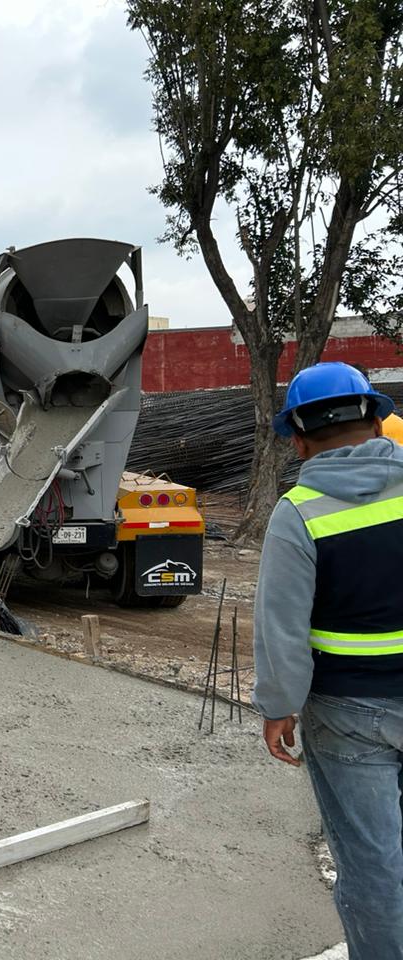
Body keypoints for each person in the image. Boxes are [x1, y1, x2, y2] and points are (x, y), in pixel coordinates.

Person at [254, 361, 403, 959]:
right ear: (375, 419)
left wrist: (279, 707)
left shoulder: (299, 513)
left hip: (348, 714)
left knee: (374, 866)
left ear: (298, 438)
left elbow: (281, 626)